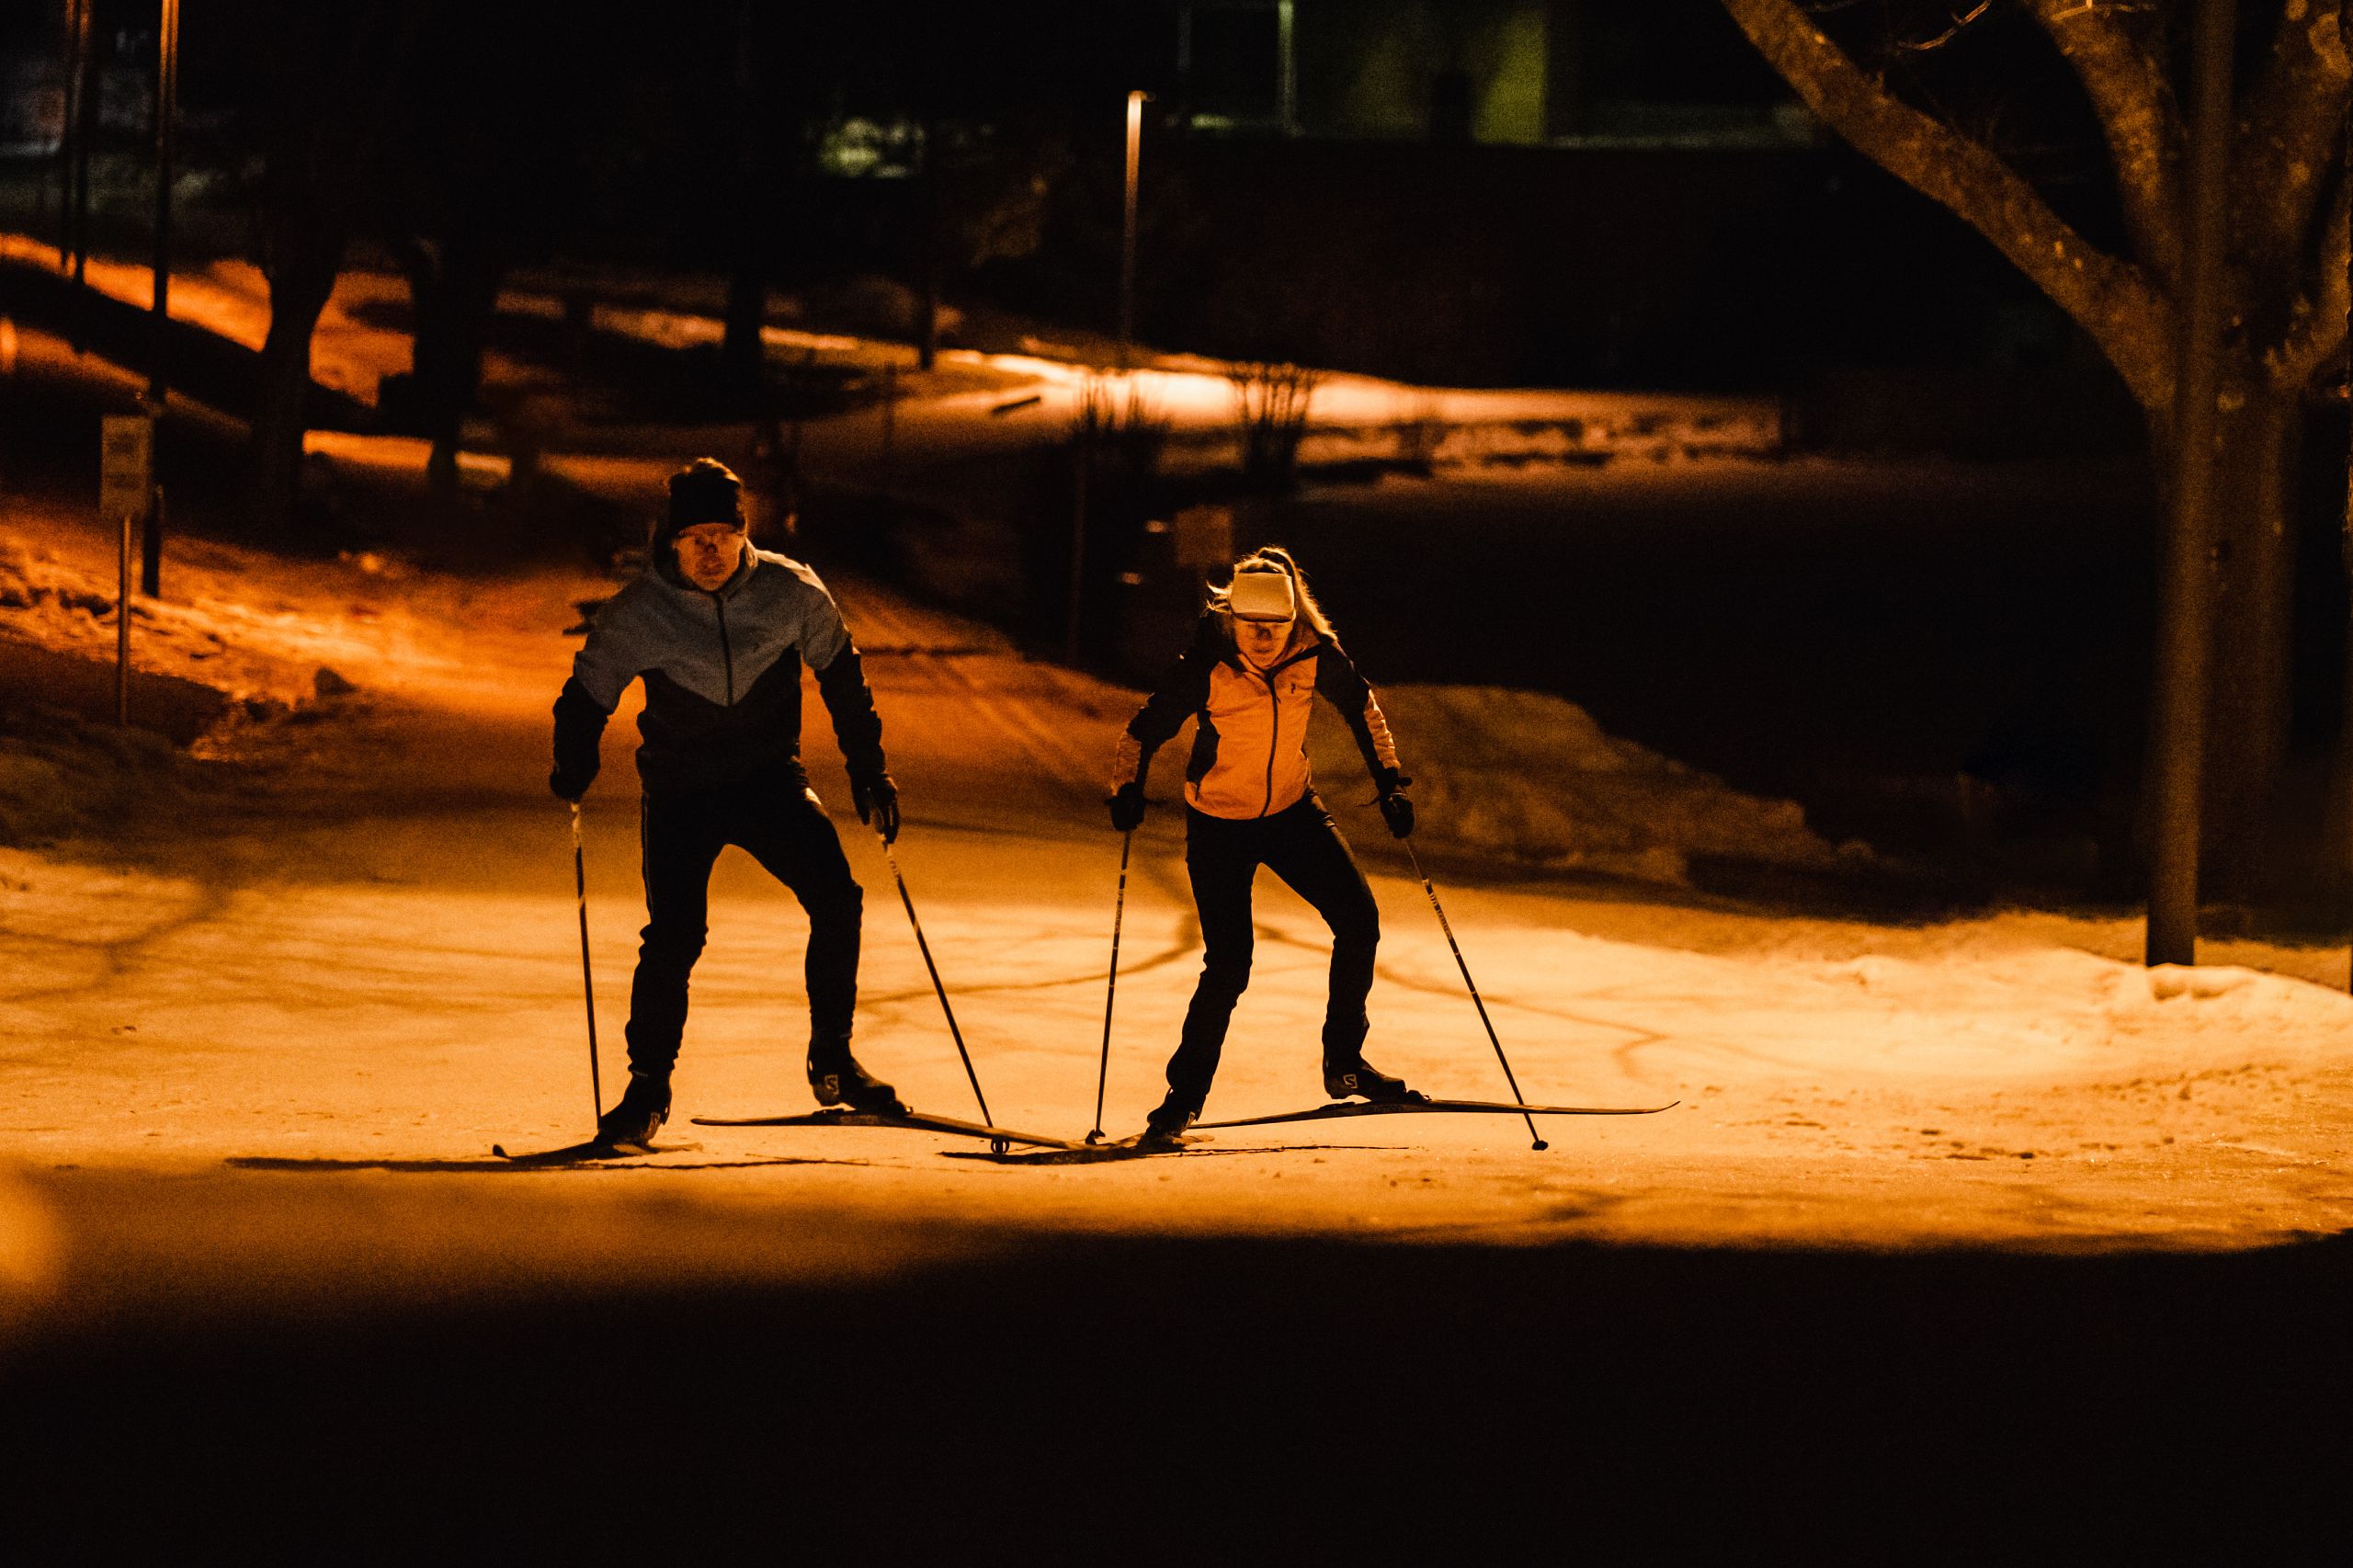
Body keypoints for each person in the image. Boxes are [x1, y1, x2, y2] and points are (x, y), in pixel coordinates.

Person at [550, 458, 904, 1149]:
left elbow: (842, 676)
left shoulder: (791, 591)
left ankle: (832, 1058)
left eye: (723, 534)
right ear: (672, 541)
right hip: (681, 789)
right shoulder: (639, 611)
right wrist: (575, 758)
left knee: (838, 898)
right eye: (695, 537)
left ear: (744, 534)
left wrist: (869, 768)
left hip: (767, 778)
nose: (711, 550)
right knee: (675, 937)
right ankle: (646, 1088)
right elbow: (586, 694)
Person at [1108, 546, 1420, 1145]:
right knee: (1229, 965)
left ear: (1291, 620)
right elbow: (1144, 729)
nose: (1263, 639)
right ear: (1231, 619)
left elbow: (1363, 708)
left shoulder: (1312, 652)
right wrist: (1126, 788)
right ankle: (1180, 1102)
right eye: (1252, 627)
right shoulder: (1209, 663)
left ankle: (1344, 1063)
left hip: (1290, 812)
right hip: (1218, 823)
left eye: (1274, 627)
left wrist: (1390, 784)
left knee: (1359, 921)